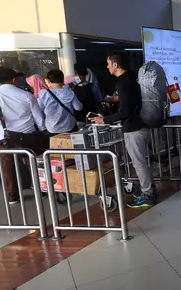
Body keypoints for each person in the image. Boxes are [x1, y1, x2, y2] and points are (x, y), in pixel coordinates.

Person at [90, 52, 156, 208]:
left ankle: (148, 194)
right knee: (142, 161)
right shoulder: (132, 77)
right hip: (144, 123)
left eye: (108, 63)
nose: (107, 67)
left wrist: (104, 120)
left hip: (134, 127)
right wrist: (115, 100)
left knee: (139, 163)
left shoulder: (122, 82)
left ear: (115, 64)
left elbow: (125, 112)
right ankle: (148, 189)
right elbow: (131, 100)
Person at [0, 67, 47, 204]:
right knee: (32, 163)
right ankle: (40, 190)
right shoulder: (27, 95)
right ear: (14, 79)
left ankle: (12, 196)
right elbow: (39, 119)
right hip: (28, 137)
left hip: (5, 138)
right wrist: (42, 131)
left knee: (7, 166)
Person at [39, 69, 83, 135]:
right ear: (62, 79)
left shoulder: (44, 93)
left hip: (52, 128)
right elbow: (78, 108)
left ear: (48, 80)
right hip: (69, 127)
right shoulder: (69, 93)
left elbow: (39, 109)